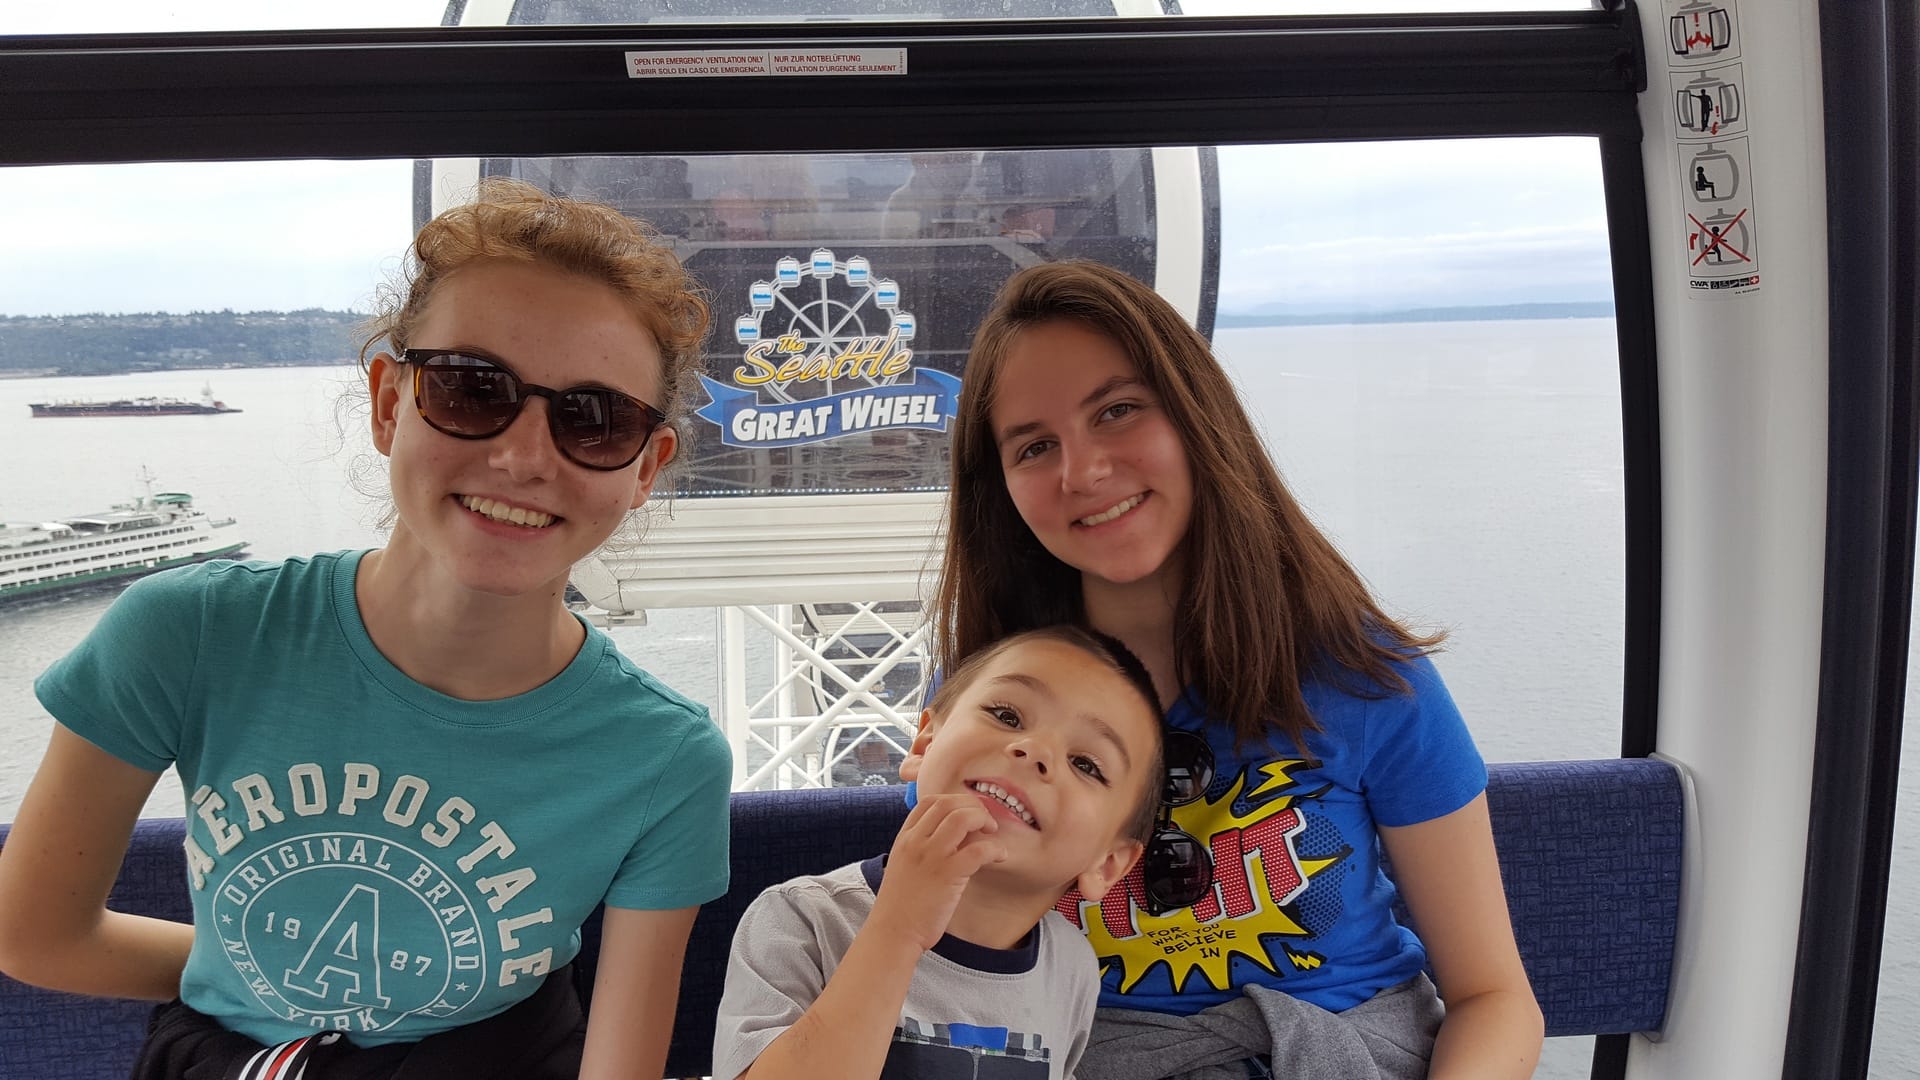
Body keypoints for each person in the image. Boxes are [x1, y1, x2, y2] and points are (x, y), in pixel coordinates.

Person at [0, 179, 732, 1079]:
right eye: (472, 390)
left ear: (646, 468)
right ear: (391, 403)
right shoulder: (188, 634)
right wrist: (276, 992)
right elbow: (37, 935)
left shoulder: (665, 758)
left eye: (595, 419)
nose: (524, 457)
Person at [931, 261, 1544, 1079]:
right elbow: (948, 982)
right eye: (1035, 446)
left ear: (1196, 418)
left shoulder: (1365, 678)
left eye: (1116, 411)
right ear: (1001, 488)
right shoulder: (987, 713)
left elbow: (1494, 997)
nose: (1082, 472)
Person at [712, 625, 1165, 1080]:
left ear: (1108, 863)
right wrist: (898, 928)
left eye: (1086, 764)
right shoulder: (799, 919)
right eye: (1007, 716)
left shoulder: (1070, 969)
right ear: (925, 744)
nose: (1034, 750)